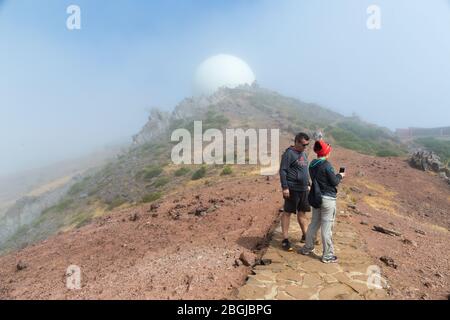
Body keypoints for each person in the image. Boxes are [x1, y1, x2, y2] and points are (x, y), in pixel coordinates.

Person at [300, 139, 345, 263]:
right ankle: (327, 255)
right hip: (328, 199)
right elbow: (334, 182)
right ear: (326, 152)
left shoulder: (312, 164)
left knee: (314, 224)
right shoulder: (326, 165)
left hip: (317, 197)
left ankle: (307, 248)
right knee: (327, 227)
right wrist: (340, 175)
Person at [279, 132, 311, 251]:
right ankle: (285, 239)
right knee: (287, 212)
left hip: (303, 189)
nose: (305, 147)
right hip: (292, 188)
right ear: (297, 142)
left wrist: (308, 183)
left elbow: (305, 170)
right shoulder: (289, 153)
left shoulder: (303, 153)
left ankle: (305, 235)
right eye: (303, 144)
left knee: (302, 213)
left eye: (307, 145)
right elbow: (283, 171)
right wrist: (285, 187)